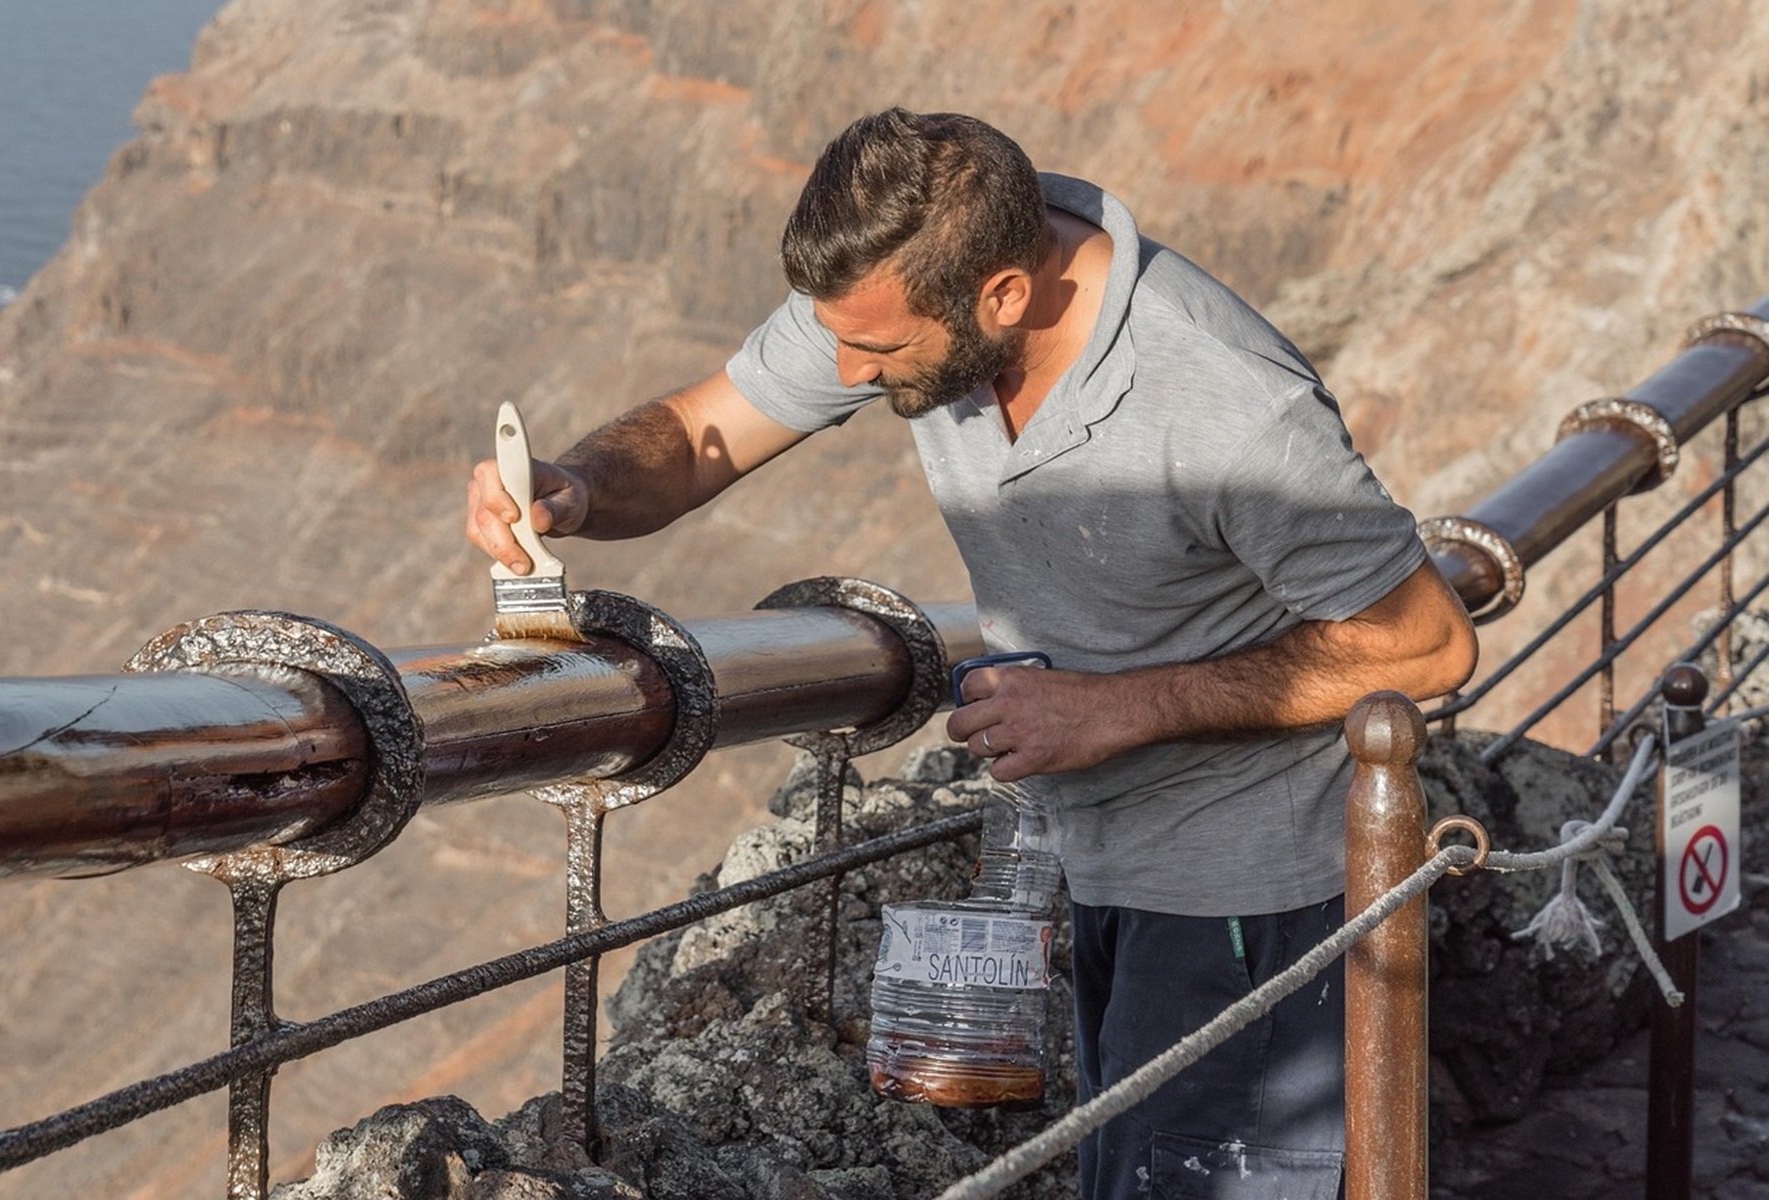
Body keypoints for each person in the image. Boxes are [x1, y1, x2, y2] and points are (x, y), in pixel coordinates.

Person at [466, 107, 1477, 1199]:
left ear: (1001, 296)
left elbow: (1423, 641)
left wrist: (1114, 709)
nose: (845, 369)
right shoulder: (896, 289)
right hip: (1094, 863)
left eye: (879, 351)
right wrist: (577, 488)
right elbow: (702, 436)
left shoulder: (1227, 405)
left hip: (1251, 897)